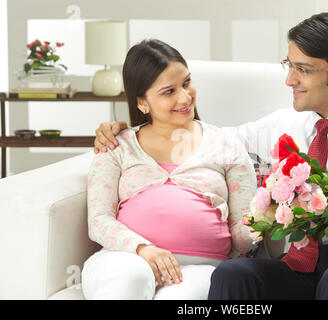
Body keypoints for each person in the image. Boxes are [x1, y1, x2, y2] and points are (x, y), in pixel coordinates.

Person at [93, 12, 328, 300]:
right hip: (299, 265)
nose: (289, 80)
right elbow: (206, 141)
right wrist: (126, 130)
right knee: (234, 274)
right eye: (289, 65)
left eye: (303, 70)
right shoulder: (280, 125)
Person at [82, 39, 257, 300]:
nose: (185, 98)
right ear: (142, 102)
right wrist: (144, 248)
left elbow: (242, 234)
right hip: (126, 258)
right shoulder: (117, 145)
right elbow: (98, 221)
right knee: (131, 278)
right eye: (168, 91)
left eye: (186, 82)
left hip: (201, 268)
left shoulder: (225, 145)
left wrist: (272, 217)